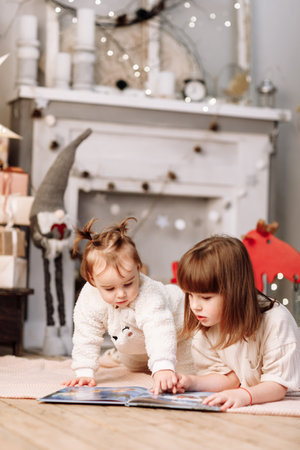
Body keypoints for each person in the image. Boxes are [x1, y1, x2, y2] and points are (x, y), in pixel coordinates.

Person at [63, 217, 193, 394]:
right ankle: (134, 357)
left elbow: (159, 330)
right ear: (93, 280)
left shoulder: (149, 294)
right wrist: (84, 371)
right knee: (131, 365)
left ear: (138, 269)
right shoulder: (90, 298)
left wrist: (163, 366)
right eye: (109, 288)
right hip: (136, 343)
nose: (121, 294)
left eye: (128, 283)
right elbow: (86, 334)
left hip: (181, 331)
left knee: (181, 373)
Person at [175, 235, 300, 411]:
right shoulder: (207, 325)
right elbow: (229, 378)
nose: (195, 306)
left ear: (235, 291)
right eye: (189, 295)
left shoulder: (276, 321)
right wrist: (191, 382)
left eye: (206, 297)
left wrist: (244, 395)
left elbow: (278, 385)